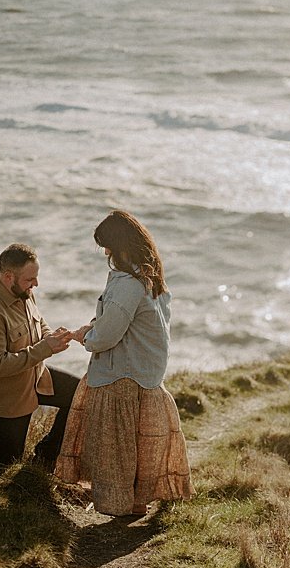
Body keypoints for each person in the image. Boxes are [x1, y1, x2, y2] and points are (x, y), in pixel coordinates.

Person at [54, 210, 192, 519]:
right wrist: (89, 329)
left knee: (118, 449)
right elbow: (118, 323)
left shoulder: (127, 284)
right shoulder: (152, 281)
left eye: (107, 247)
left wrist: (84, 338)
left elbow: (106, 336)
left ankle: (125, 508)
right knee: (138, 447)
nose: (105, 254)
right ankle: (137, 503)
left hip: (122, 376)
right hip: (146, 374)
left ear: (121, 246)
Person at [0, 242, 79, 467]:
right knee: (5, 466)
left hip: (35, 379)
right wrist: (46, 348)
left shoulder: (24, 292)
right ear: (8, 277)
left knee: (80, 395)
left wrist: (51, 337)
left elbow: (39, 322)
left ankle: (46, 456)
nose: (36, 283)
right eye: (30, 279)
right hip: (3, 402)